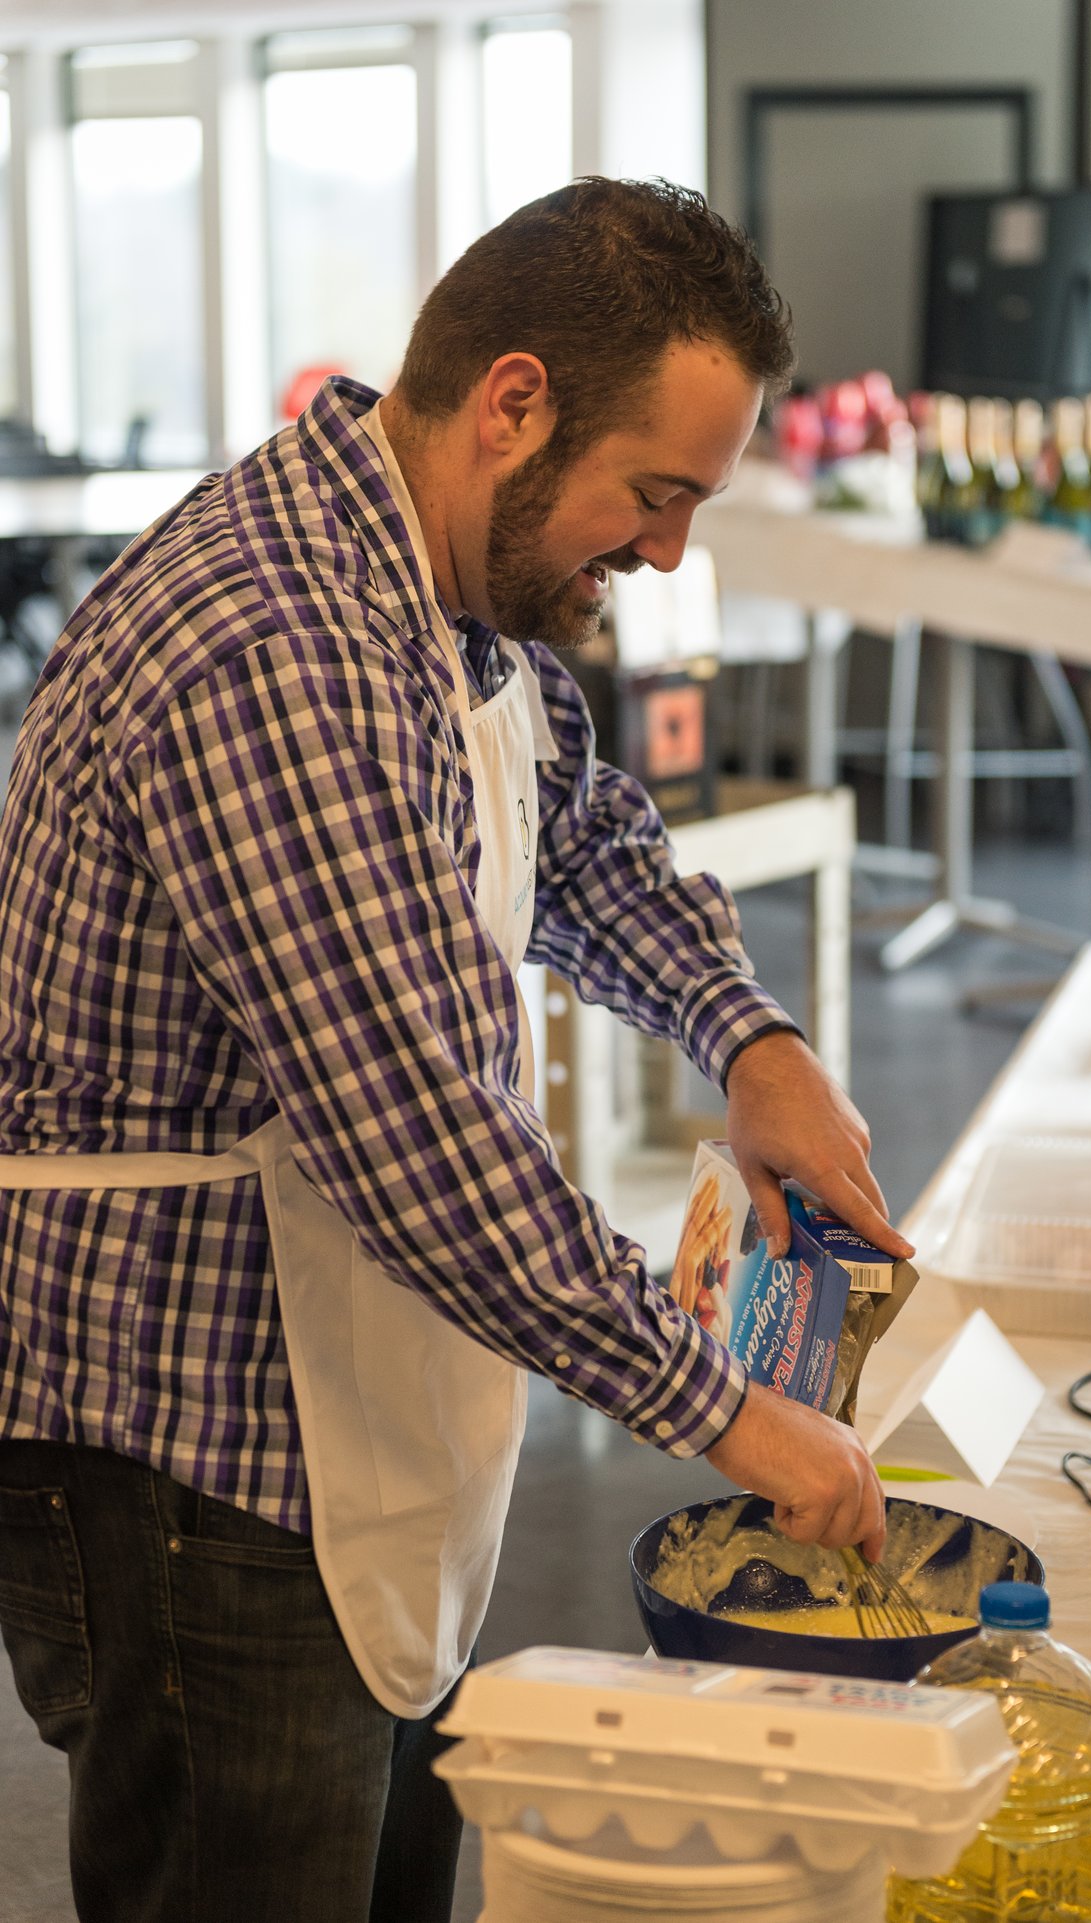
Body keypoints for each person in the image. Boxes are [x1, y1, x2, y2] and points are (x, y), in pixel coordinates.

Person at [0, 178, 913, 1922]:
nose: (665, 554)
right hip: (182, 1448)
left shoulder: (440, 590)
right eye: (656, 495)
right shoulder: (274, 646)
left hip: (348, 1400)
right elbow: (426, 1142)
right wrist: (735, 1415)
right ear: (513, 403)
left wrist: (756, 1039)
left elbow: (578, 836)